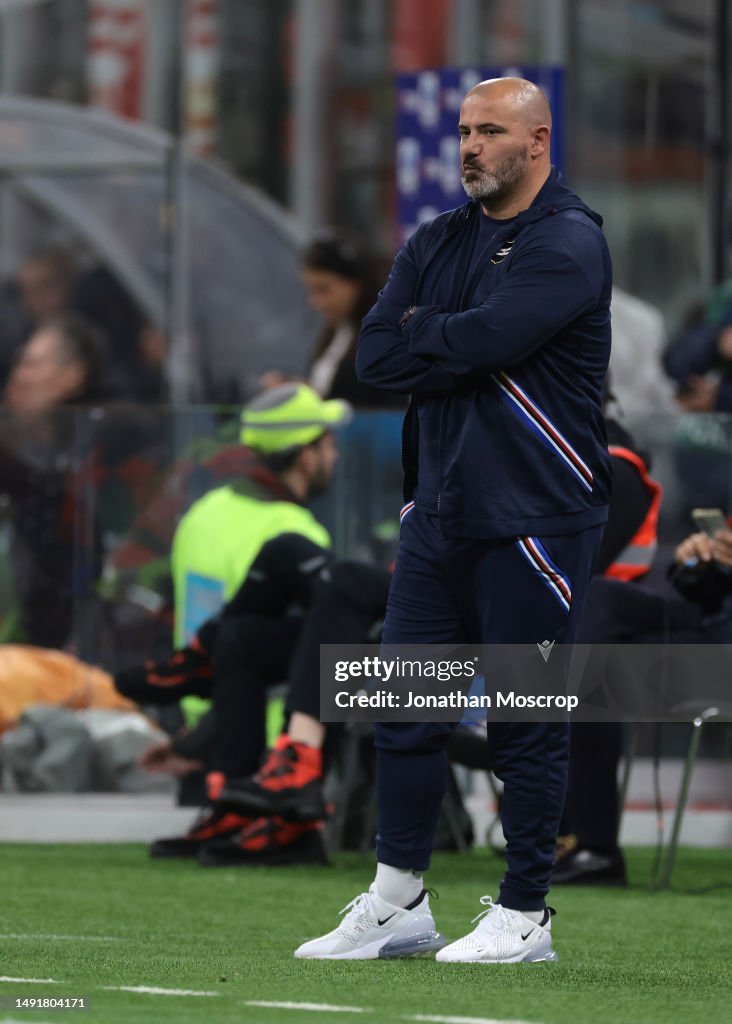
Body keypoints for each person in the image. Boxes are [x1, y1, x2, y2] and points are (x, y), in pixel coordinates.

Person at [295, 77, 613, 963]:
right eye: (466, 131)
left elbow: (483, 343)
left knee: (524, 715)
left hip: (538, 515)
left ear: (539, 141)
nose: (470, 146)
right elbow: (376, 353)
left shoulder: (570, 241)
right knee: (406, 708)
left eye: (491, 131)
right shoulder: (437, 237)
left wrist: (432, 333)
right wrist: (449, 335)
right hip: (438, 513)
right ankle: (400, 901)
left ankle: (525, 914)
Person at [114, 383, 352, 847]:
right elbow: (310, 657)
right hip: (270, 755)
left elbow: (201, 626)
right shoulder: (294, 531)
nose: (336, 455)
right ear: (304, 455)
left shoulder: (204, 513)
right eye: (327, 442)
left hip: (204, 736)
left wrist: (194, 738)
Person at [262, 230, 404, 410]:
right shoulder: (337, 333)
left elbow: (367, 407)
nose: (315, 302)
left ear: (356, 283)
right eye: (311, 291)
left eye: (324, 289)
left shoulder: (384, 339)